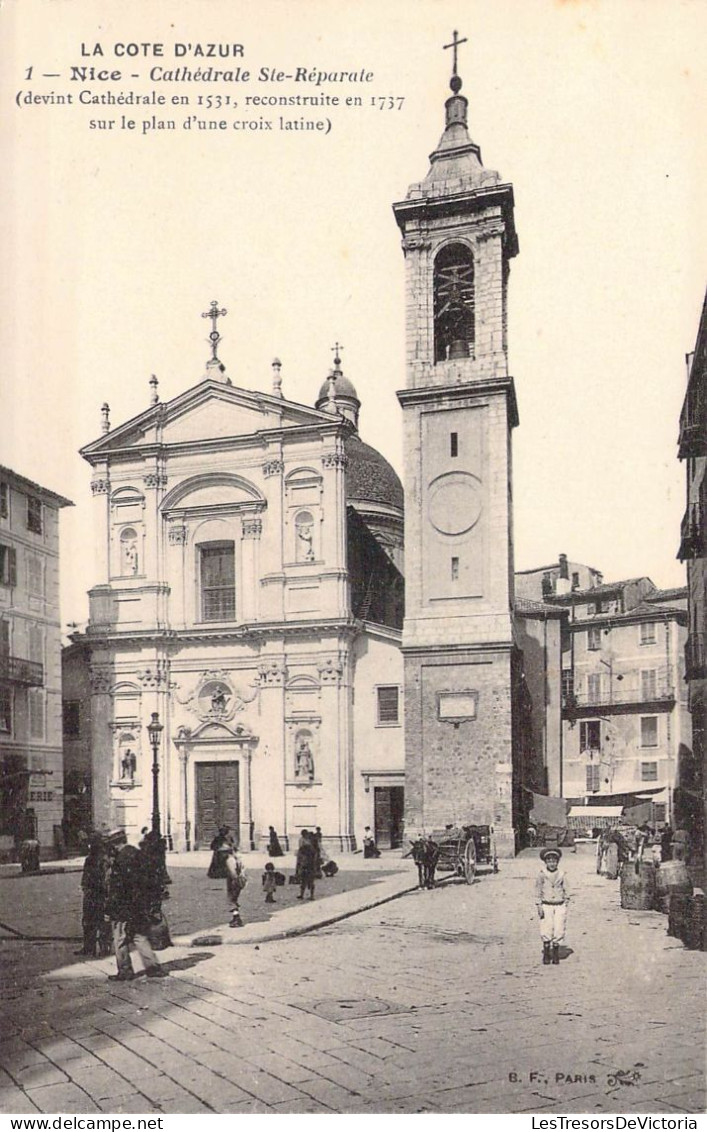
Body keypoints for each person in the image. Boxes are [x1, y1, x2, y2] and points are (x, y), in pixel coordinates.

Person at [104, 830, 167, 980]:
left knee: (120, 939)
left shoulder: (120, 860)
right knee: (140, 936)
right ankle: (153, 967)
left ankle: (125, 970)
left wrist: (109, 909)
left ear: (114, 844)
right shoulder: (139, 854)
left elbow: (117, 888)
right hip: (139, 906)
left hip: (123, 907)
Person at [75, 832, 112, 957]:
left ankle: (104, 948)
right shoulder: (90, 858)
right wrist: (84, 887)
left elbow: (107, 878)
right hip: (90, 894)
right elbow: (86, 875)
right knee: (87, 921)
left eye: (91, 843)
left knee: (102, 922)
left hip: (100, 894)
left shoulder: (104, 859)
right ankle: (89, 947)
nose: (89, 846)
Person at [535, 847, 571, 965]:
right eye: (549, 861)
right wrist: (539, 905)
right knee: (546, 927)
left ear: (558, 862)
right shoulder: (542, 875)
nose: (552, 864)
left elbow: (566, 889)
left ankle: (555, 951)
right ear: (545, 863)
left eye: (554, 861)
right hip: (546, 905)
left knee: (559, 927)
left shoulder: (562, 874)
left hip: (559, 905)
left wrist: (566, 901)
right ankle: (546, 953)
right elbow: (538, 891)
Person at [225, 846, 247, 927]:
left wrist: (234, 880)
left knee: (231, 900)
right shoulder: (239, 859)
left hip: (233, 881)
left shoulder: (230, 860)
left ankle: (237, 919)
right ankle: (236, 918)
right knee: (234, 899)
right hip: (240, 881)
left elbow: (233, 873)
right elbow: (243, 871)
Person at [295, 829, 317, 900]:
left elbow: (299, 861)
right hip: (309, 867)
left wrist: (298, 869)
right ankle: (310, 895)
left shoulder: (303, 852)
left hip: (306, 867)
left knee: (304, 881)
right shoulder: (311, 850)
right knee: (309, 881)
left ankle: (304, 895)